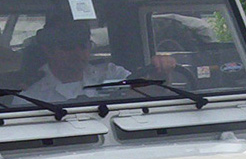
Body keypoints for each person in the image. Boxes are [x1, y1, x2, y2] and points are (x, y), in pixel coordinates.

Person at [23, 19, 176, 104]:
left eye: (83, 46)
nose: (78, 53)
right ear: (48, 50)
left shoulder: (111, 73)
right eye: (68, 47)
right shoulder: (29, 93)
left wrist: (161, 72)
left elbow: (147, 93)